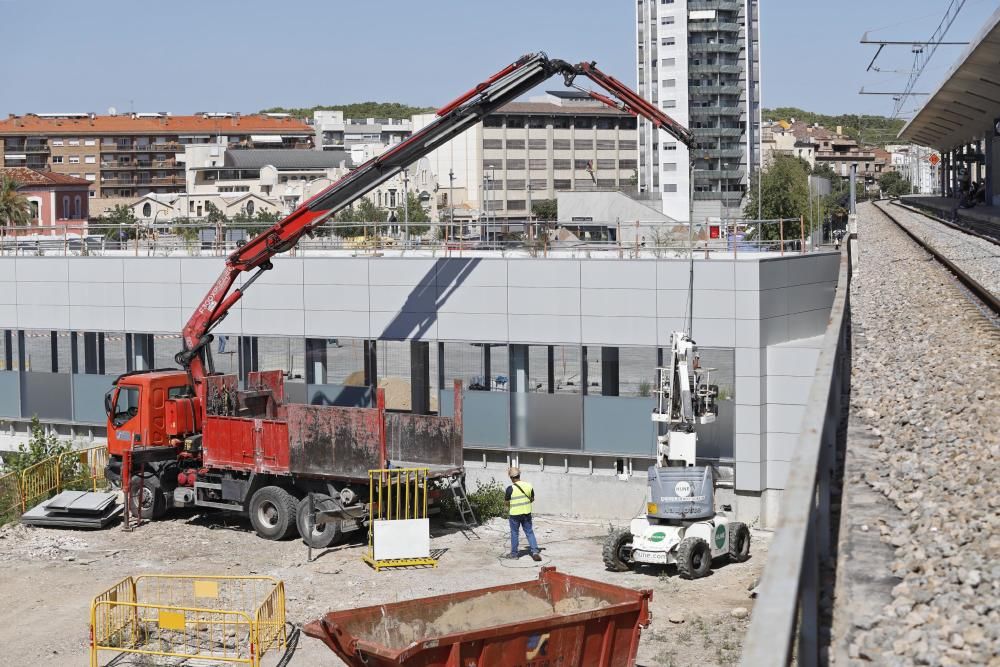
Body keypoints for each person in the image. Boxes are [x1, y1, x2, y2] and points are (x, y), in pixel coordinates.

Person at [505, 467, 541, 561]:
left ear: (511, 478)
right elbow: (532, 499)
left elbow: (506, 503)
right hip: (526, 513)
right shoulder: (529, 486)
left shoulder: (510, 488)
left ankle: (514, 554)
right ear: (519, 475)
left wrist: (508, 508)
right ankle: (535, 552)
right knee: (529, 532)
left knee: (514, 533)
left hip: (515, 515)